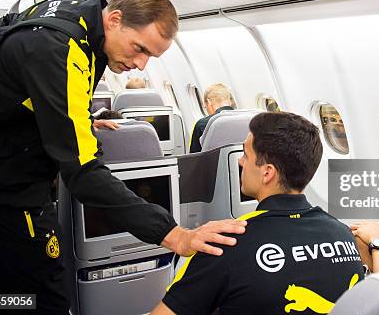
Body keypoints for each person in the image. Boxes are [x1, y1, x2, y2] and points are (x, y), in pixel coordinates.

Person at [0, 0, 245, 313]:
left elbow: (35, 85)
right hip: (3, 179)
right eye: (139, 48)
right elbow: (84, 173)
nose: (141, 65)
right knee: (48, 291)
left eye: (151, 57)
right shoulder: (58, 49)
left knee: (8, 273)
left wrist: (73, 119)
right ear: (114, 19)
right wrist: (172, 234)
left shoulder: (78, 14)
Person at [152, 112, 364, 315]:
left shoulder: (223, 243)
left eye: (246, 154)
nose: (240, 161)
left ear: (267, 173)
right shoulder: (343, 233)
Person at [189, 83, 235, 153]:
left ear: (209, 102)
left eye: (205, 106)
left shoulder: (202, 124)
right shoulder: (244, 119)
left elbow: (193, 157)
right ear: (230, 101)